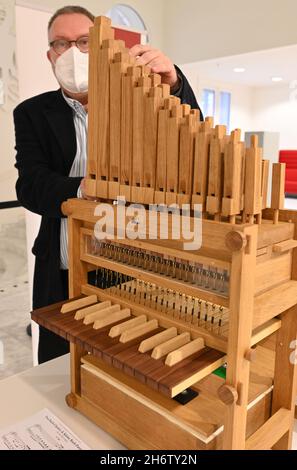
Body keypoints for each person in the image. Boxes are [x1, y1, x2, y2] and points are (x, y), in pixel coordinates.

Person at [14, 5, 203, 364]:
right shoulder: (31, 113)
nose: (72, 52)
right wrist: (83, 189)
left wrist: (174, 84)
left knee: (132, 364)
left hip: (133, 266)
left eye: (85, 42)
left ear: (101, 49)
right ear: (49, 54)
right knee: (61, 365)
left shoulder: (139, 101)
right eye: (61, 43)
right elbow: (31, 185)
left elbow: (191, 141)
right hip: (65, 267)